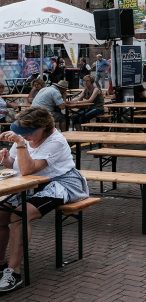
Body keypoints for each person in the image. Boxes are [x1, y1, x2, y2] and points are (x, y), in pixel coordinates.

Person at [0, 108, 89, 293]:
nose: (26, 135)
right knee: (1, 213)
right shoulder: (23, 137)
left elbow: (27, 169)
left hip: (61, 182)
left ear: (44, 127)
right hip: (31, 183)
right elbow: (17, 165)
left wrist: (21, 144)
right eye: (22, 131)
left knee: (20, 215)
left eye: (30, 132)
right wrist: (7, 159)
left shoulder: (55, 141)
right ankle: (1, 263)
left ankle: (13, 272)